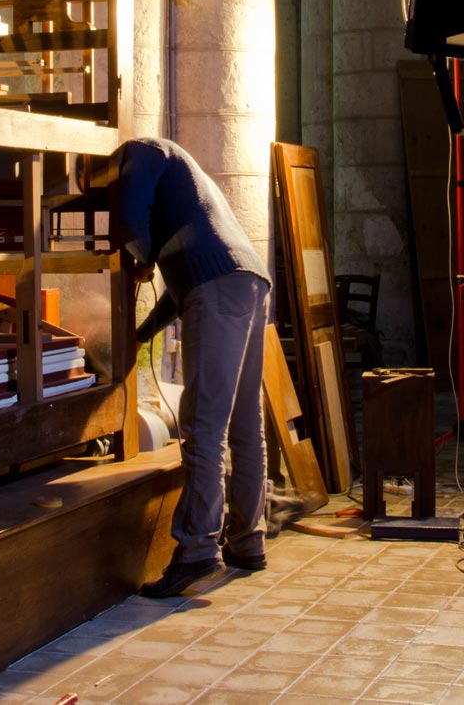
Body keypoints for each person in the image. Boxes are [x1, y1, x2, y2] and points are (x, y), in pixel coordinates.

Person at [91, 137, 270, 598]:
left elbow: (130, 222)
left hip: (219, 285)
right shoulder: (181, 182)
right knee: (245, 423)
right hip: (248, 280)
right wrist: (142, 334)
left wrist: (141, 258)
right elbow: (184, 283)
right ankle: (248, 540)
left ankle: (196, 552)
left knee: (203, 427)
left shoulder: (139, 152)